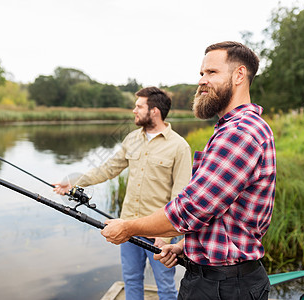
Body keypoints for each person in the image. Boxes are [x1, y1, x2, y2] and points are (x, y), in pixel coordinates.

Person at [101, 41, 276, 300]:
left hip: (223, 288)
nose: (202, 81)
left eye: (212, 73)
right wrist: (185, 245)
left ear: (239, 75)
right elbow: (223, 215)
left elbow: (191, 209)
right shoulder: (233, 128)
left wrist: (128, 227)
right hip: (223, 280)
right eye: (202, 73)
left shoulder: (240, 133)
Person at [53, 86, 192, 300]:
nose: (134, 111)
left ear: (154, 111)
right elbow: (107, 169)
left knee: (165, 286)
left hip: (159, 233)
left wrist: (168, 236)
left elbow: (180, 196)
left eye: (139, 106)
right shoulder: (132, 139)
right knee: (131, 281)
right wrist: (72, 183)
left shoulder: (179, 146)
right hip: (127, 227)